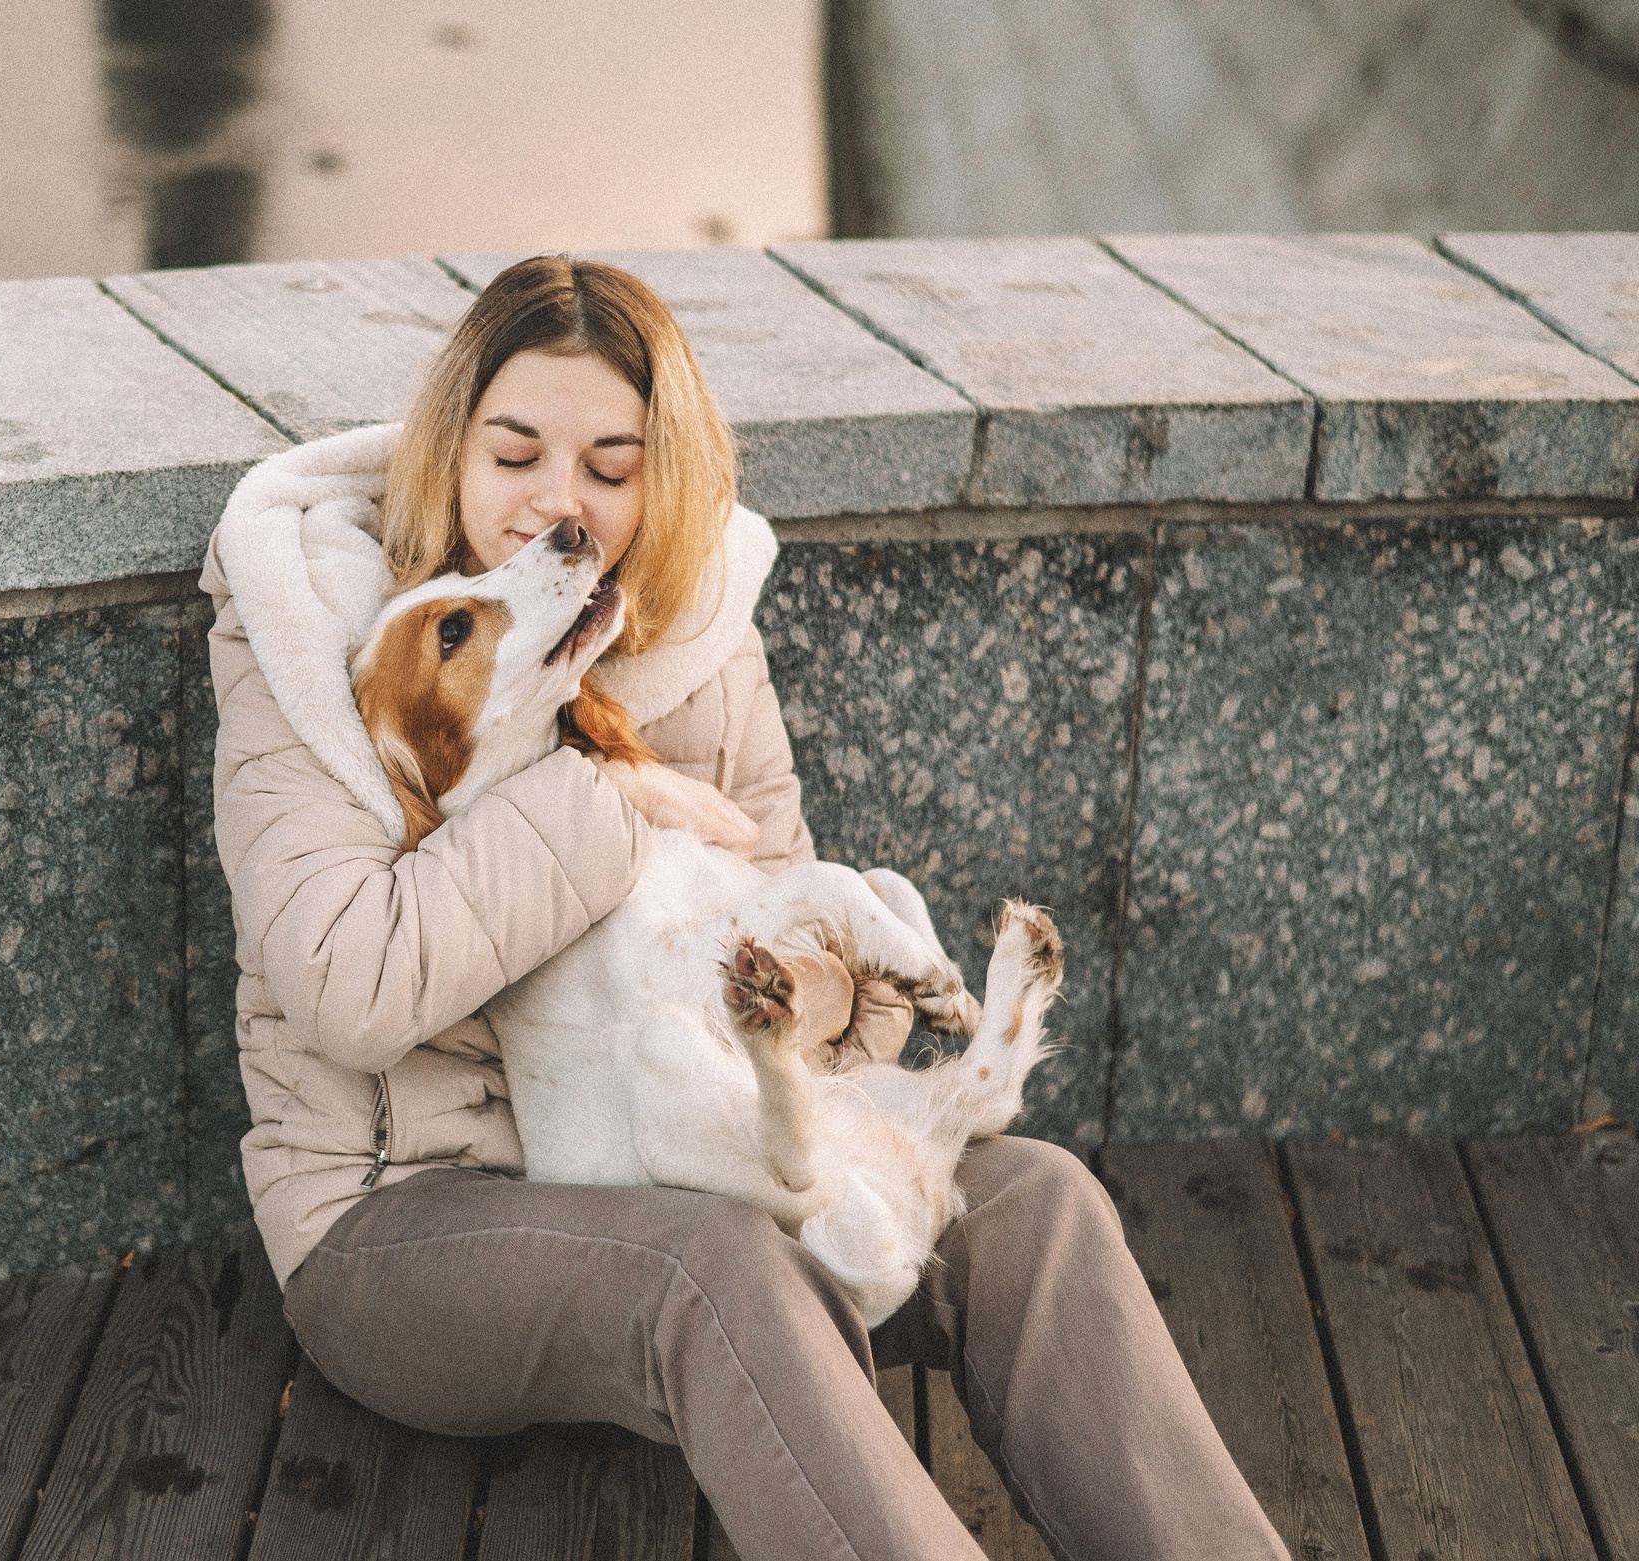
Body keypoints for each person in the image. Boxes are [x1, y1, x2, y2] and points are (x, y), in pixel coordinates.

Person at [198, 255, 1285, 1560]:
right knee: (719, 1267)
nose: (559, 505)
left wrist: (815, 1000)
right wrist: (614, 807)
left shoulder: (698, 633)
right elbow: (345, 986)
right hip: (402, 1222)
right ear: (451, 450)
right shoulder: (330, 638)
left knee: (1033, 1201)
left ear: (668, 476)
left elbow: (838, 1006)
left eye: (611, 465)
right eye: (517, 453)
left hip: (689, 1153)